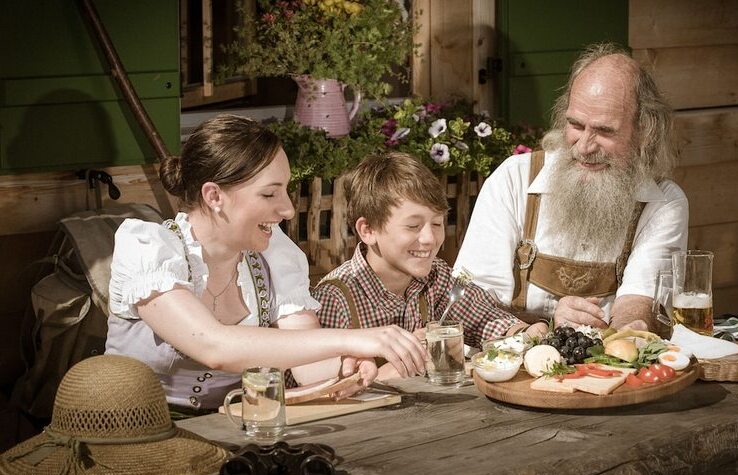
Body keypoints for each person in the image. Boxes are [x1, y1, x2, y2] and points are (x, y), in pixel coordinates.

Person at [105, 115, 426, 411]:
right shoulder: (147, 248)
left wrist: (345, 365)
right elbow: (214, 348)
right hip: (131, 435)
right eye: (270, 194)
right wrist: (354, 338)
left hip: (233, 431)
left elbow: (308, 367)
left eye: (285, 191)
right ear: (214, 196)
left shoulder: (274, 254)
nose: (287, 209)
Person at [455, 42, 688, 333]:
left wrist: (628, 332)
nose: (585, 147)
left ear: (644, 132)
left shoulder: (662, 203)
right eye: (576, 125)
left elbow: (638, 304)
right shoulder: (513, 180)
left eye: (605, 131)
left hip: (610, 368)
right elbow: (468, 303)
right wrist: (547, 322)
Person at [312, 152, 548, 380]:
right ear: (368, 230)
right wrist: (383, 375)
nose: (429, 238)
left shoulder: (437, 276)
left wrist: (523, 333)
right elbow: (316, 392)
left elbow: (485, 319)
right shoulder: (336, 298)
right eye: (413, 226)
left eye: (437, 223)